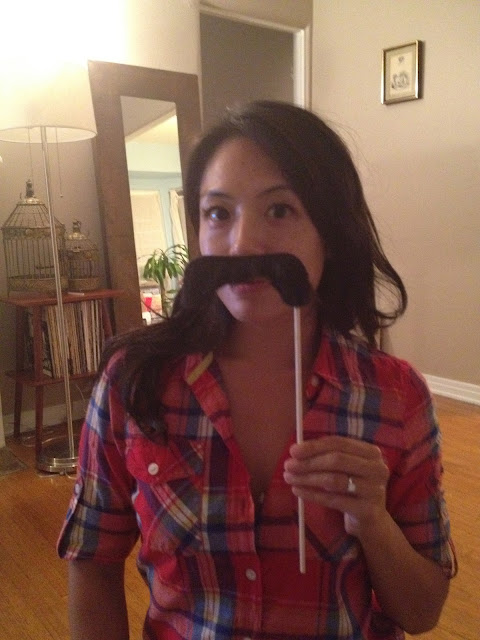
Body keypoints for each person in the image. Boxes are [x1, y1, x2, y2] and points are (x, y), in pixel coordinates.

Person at [58, 100, 456, 640]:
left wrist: (372, 520)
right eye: (218, 213)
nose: (243, 244)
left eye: (280, 210)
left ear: (331, 232)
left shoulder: (394, 398)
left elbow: (422, 612)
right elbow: (93, 561)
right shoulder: (134, 382)